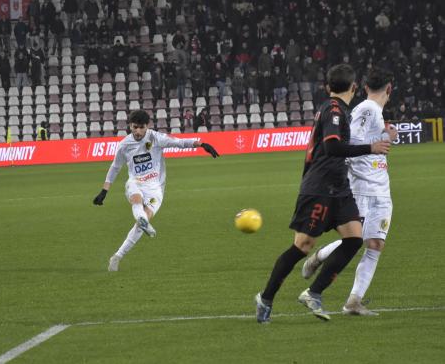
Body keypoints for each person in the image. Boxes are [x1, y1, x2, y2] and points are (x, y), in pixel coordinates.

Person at [254, 64, 391, 323]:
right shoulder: (335, 110)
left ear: (328, 87)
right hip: (320, 187)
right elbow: (332, 147)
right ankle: (266, 298)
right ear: (353, 87)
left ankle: (314, 292)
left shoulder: (338, 110)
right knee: (302, 246)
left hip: (338, 187)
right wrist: (370, 148)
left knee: (353, 239)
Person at [300, 67, 397, 316]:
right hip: (363, 187)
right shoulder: (367, 109)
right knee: (355, 239)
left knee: (375, 243)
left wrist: (386, 135)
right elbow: (348, 143)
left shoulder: (374, 111)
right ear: (389, 89)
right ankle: (320, 256)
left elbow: (368, 142)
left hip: (381, 189)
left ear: (365, 87)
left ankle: (354, 301)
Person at [93, 110, 220, 272]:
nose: (138, 131)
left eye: (141, 127)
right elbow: (115, 167)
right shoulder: (124, 145)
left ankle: (117, 256)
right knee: (136, 198)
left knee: (140, 225)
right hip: (136, 182)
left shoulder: (155, 138)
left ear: (148, 126)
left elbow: (179, 143)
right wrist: (104, 191)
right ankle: (142, 219)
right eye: (135, 127)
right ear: (130, 126)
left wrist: (201, 144)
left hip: (155, 189)